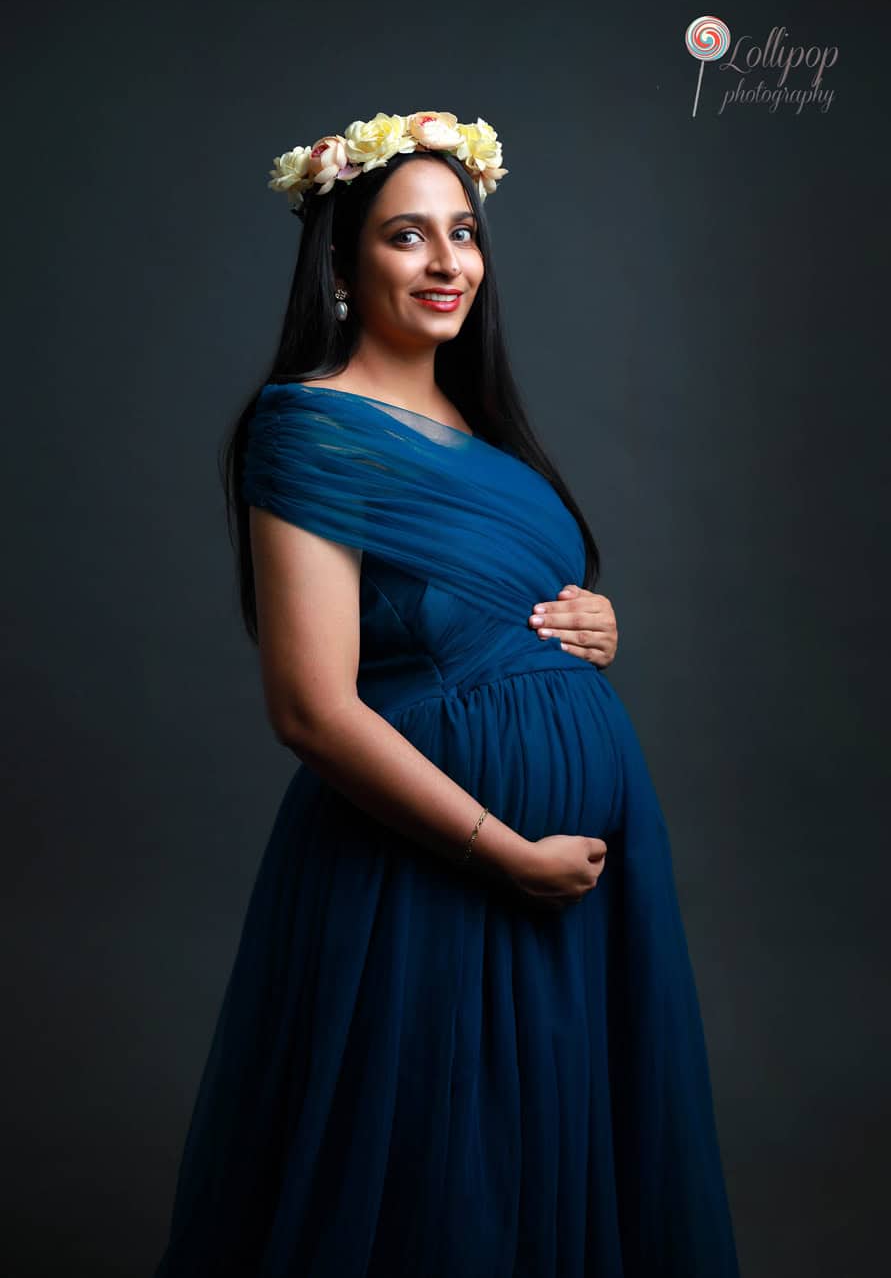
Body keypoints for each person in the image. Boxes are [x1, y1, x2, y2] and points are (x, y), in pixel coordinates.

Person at [154, 111, 741, 1277]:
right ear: (340, 262)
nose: (446, 262)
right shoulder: (307, 427)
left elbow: (498, 608)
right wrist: (500, 852)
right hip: (432, 864)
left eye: (462, 233)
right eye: (407, 236)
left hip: (571, 872)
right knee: (438, 1169)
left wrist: (594, 620)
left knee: (546, 1155)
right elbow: (311, 707)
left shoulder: (487, 435)